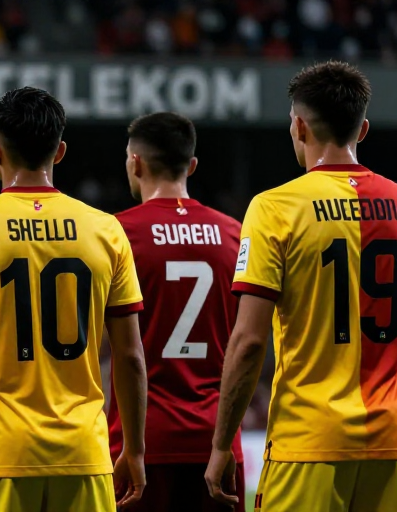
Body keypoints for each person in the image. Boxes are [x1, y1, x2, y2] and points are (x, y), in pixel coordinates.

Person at [0, 86, 148, 512]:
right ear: (59, 152)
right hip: (83, 454)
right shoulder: (106, 230)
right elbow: (131, 356)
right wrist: (134, 450)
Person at [207, 61, 397, 511]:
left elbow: (249, 341)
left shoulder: (274, 208)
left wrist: (222, 444)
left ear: (298, 127)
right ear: (363, 130)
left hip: (308, 441)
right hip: (394, 441)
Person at [109, 112, 245, 512]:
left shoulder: (115, 234)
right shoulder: (236, 234)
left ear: (136, 163)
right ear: (192, 165)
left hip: (141, 443)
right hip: (218, 443)